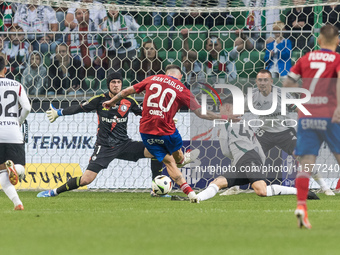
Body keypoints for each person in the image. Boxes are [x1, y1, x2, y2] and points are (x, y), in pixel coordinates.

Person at [102, 64, 241, 202]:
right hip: (166, 130)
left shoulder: (153, 78)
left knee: (169, 163)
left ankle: (191, 194)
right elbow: (201, 113)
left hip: (146, 131)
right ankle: (182, 160)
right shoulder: (182, 88)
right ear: (180, 76)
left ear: (165, 73)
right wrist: (224, 117)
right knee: (176, 157)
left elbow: (126, 92)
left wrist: (110, 102)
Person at [36, 72, 166, 198]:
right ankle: (53, 192)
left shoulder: (129, 101)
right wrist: (59, 112)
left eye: (119, 82)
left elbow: (145, 114)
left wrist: (164, 119)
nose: (116, 85)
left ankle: (155, 190)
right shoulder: (99, 100)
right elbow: (79, 108)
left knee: (156, 151)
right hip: (104, 147)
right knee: (86, 180)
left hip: (124, 144)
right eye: (113, 82)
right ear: (108, 84)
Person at [172, 96, 318, 202]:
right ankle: (196, 198)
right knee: (218, 182)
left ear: (227, 108)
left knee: (261, 191)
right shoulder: (245, 123)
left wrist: (242, 159)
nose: (220, 110)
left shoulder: (225, 123)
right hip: (250, 159)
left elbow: (224, 150)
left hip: (246, 159)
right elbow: (257, 146)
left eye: (221, 107)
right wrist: (259, 162)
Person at [283, 24, 340, 229]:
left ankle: (301, 206)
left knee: (305, 164)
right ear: (337, 41)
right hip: (330, 115)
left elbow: (287, 83)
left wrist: (304, 91)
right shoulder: (337, 60)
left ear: (318, 40)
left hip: (306, 116)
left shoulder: (305, 59)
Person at [252, 69, 334, 196]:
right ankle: (235, 187)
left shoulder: (281, 94)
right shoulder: (252, 95)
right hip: (265, 132)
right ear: (256, 82)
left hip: (284, 132)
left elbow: (298, 109)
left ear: (271, 81)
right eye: (260, 80)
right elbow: (238, 110)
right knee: (248, 156)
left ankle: (325, 187)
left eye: (265, 80)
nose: (262, 83)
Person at [0, 55, 31, 210]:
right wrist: (18, 122)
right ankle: (15, 168)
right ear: (5, 69)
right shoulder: (16, 84)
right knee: (20, 169)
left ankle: (17, 203)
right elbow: (27, 108)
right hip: (13, 132)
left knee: (1, 172)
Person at [66, 8, 105, 94]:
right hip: (79, 65)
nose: (82, 15)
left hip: (96, 63)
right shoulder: (71, 33)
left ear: (89, 14)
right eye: (79, 14)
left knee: (100, 71)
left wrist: (102, 57)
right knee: (74, 68)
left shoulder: (97, 29)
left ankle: (98, 93)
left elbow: (105, 46)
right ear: (75, 17)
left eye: (84, 13)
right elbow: (68, 50)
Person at [101, 6, 140, 75]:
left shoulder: (128, 19)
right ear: (107, 11)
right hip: (114, 52)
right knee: (112, 73)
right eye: (111, 9)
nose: (113, 11)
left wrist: (144, 40)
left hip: (130, 49)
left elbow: (138, 29)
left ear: (119, 10)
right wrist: (103, 33)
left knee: (136, 71)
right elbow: (100, 38)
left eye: (115, 8)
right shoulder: (104, 24)